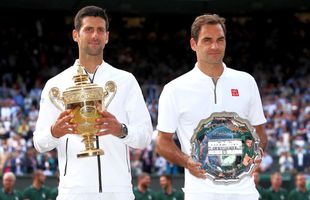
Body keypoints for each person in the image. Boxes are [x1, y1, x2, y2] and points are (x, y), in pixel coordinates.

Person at [33, 5, 152, 200]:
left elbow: (145, 136)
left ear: (107, 36)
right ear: (75, 35)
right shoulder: (55, 84)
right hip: (73, 191)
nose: (95, 35)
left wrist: (121, 130)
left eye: (100, 30)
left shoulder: (125, 80)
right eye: (88, 29)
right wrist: (55, 131)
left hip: (118, 191)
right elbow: (39, 142)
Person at [156, 14, 268, 200]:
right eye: (207, 40)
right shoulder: (174, 89)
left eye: (220, 40)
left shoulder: (246, 81)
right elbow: (162, 143)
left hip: (245, 193)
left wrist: (258, 152)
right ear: (194, 44)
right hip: (200, 194)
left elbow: (260, 133)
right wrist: (187, 162)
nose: (215, 46)